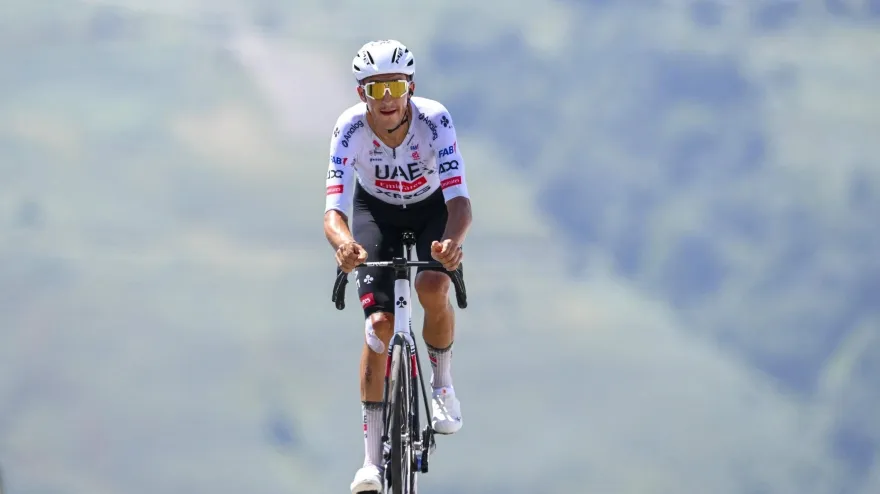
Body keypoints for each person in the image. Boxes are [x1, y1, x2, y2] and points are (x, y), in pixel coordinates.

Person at [323, 39, 473, 493]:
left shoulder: (435, 120)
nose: (387, 98)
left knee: (432, 285)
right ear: (361, 94)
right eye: (376, 89)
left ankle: (442, 386)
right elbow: (334, 212)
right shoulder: (349, 128)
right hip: (376, 213)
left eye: (395, 86)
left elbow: (460, 201)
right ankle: (370, 462)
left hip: (430, 210)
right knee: (379, 324)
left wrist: (452, 244)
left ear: (411, 87)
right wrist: (345, 246)